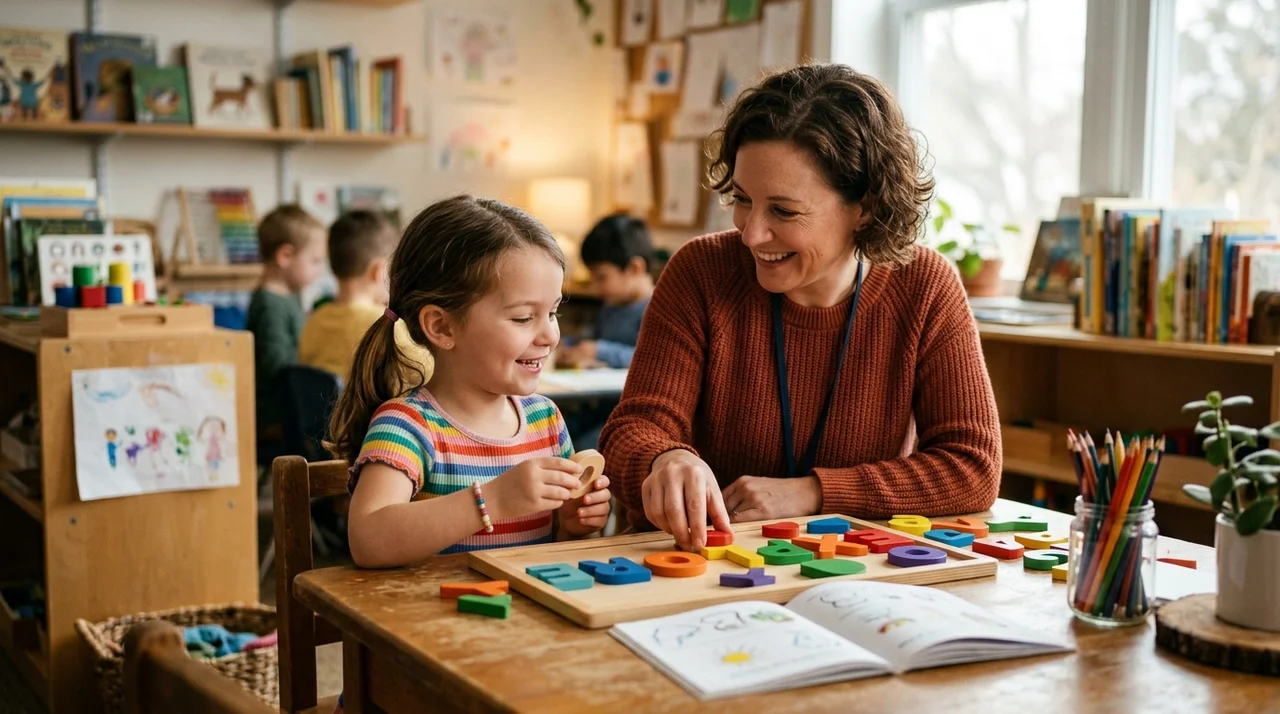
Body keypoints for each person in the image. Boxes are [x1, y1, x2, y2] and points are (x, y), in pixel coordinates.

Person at [599, 63, 1002, 553]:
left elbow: (973, 468)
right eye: (742, 199)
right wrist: (664, 458)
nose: (751, 234)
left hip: (851, 573)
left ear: (867, 206)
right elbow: (631, 430)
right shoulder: (700, 271)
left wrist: (813, 493)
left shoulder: (925, 287)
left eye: (784, 211)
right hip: (694, 566)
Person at [326, 195, 612, 570]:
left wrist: (573, 527)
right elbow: (369, 540)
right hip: (430, 624)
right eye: (524, 318)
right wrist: (491, 500)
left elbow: (545, 545)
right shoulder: (407, 426)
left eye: (553, 312)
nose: (549, 336)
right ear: (442, 326)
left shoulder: (546, 421)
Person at [298, 209, 434, 383]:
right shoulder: (385, 324)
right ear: (378, 270)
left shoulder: (313, 322)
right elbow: (425, 375)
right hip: (374, 411)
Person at [245, 205, 327, 445]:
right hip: (276, 411)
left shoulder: (288, 296)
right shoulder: (269, 304)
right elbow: (276, 365)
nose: (320, 271)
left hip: (292, 402)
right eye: (315, 261)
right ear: (285, 256)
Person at [557, 213, 655, 369]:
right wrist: (568, 346)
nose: (595, 289)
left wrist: (600, 351)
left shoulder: (660, 312)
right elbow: (592, 339)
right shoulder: (611, 307)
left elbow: (653, 359)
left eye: (601, 278)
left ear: (635, 268)